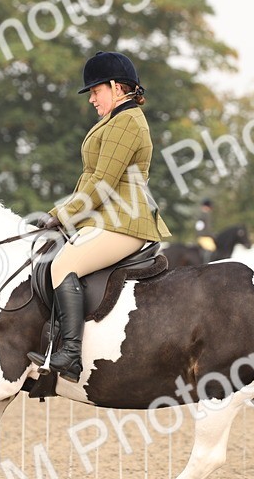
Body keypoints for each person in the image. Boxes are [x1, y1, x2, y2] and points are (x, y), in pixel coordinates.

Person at [27, 51, 171, 381]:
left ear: (116, 87)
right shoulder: (114, 120)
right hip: (106, 218)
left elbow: (103, 182)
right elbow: (90, 179)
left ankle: (71, 355)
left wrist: (63, 216)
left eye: (95, 91)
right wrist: (59, 215)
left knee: (64, 265)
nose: (91, 99)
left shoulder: (127, 123)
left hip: (125, 220)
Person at [194, 198, 216, 263]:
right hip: (203, 236)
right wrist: (211, 234)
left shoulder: (207, 215)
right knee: (211, 248)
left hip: (207, 236)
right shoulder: (202, 215)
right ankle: (206, 264)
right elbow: (199, 228)